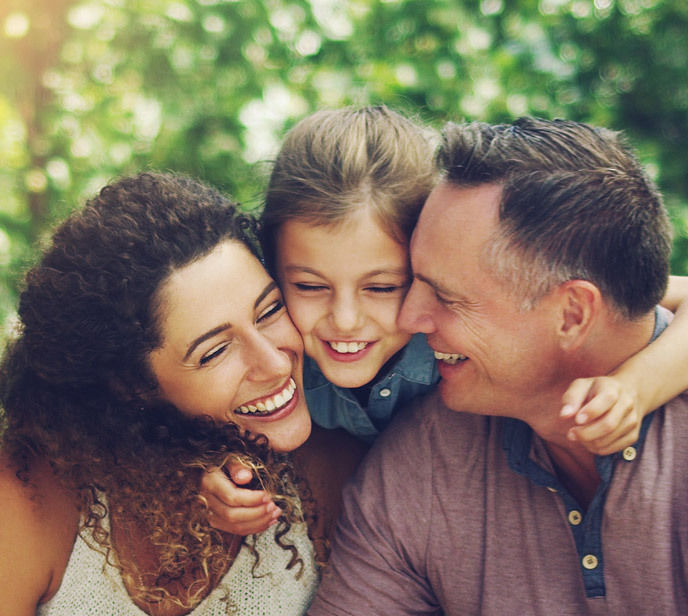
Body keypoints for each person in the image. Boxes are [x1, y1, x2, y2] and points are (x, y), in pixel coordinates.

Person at [204, 106, 688, 537]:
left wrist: (635, 387)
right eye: (310, 287)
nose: (345, 321)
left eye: (382, 287)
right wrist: (215, 473)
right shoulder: (275, 357)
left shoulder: (449, 329)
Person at [307, 117, 688, 614]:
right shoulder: (420, 464)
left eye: (445, 295)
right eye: (409, 282)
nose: (409, 318)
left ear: (572, 314)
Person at [0, 172, 363, 615]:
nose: (276, 362)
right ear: (134, 384)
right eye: (215, 351)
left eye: (268, 311)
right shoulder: (28, 493)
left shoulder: (331, 474)